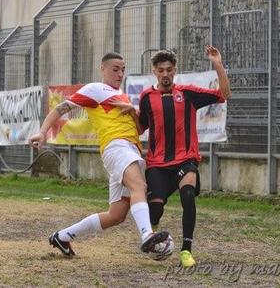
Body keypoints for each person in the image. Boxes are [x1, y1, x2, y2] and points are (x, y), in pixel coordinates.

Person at [28, 53, 169, 257]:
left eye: (123, 69)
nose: (120, 73)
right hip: (116, 147)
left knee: (117, 215)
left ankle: (63, 236)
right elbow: (60, 108)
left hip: (129, 149)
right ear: (102, 69)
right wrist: (42, 132)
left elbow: (139, 130)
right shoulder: (95, 89)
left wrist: (131, 111)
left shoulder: (121, 95)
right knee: (139, 186)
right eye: (115, 69)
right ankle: (147, 235)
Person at [138, 45, 231, 267]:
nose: (165, 74)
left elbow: (224, 95)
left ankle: (186, 251)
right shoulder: (147, 97)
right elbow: (140, 128)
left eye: (169, 69)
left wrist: (217, 63)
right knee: (156, 209)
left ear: (175, 70)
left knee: (187, 196)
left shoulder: (187, 93)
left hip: (185, 159)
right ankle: (153, 240)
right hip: (157, 164)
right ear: (154, 72)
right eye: (161, 70)